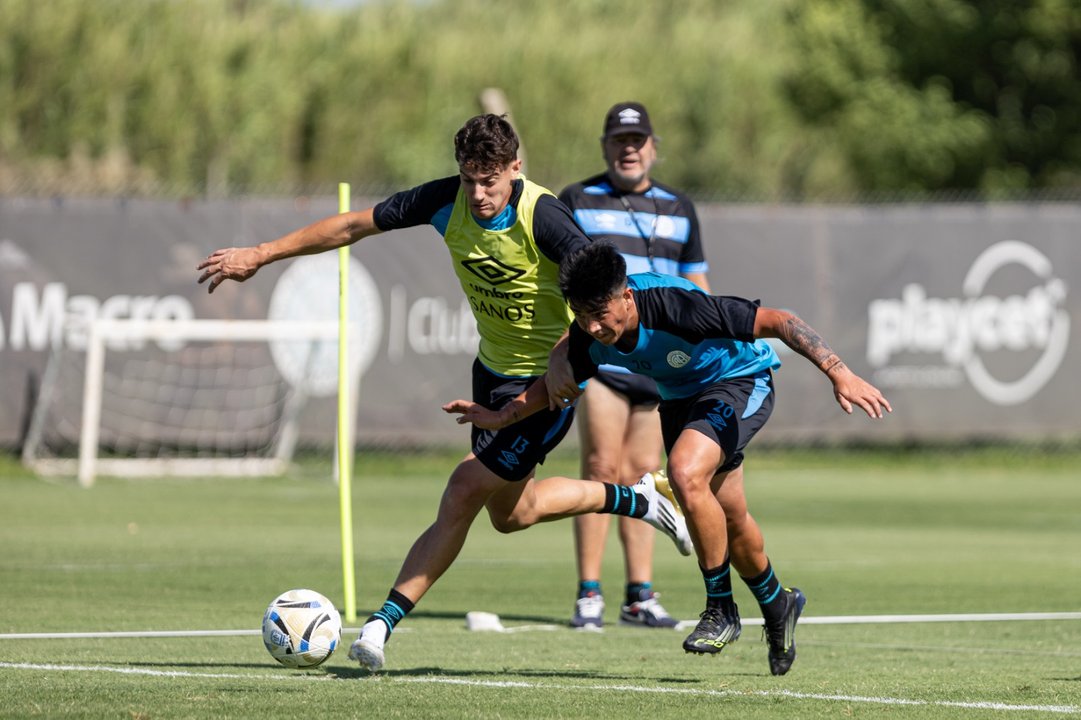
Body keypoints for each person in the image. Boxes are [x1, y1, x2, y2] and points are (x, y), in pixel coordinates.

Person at [196, 115, 692, 672]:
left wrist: (563, 359)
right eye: (468, 180)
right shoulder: (444, 200)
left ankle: (380, 627)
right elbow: (352, 226)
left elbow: (598, 292)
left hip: (543, 387)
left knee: (462, 490)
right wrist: (262, 253)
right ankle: (639, 499)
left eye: (490, 182)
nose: (478, 195)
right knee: (512, 514)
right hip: (491, 373)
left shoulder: (545, 216)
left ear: (515, 170)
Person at [445, 242, 891, 675]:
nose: (594, 327)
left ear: (626, 296)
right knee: (729, 519)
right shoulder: (587, 335)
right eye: (582, 317)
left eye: (600, 315)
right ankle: (778, 601)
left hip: (740, 380)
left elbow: (780, 320)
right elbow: (552, 387)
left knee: (683, 472)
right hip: (681, 400)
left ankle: (721, 609)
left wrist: (839, 371)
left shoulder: (676, 307)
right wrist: (503, 414)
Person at [557, 101, 710, 630]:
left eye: (637, 140)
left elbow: (698, 287)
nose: (629, 149)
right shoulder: (576, 199)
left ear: (652, 146)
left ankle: (639, 595)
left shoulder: (680, 206)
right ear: (605, 146)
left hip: (660, 361)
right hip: (603, 357)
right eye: (619, 141)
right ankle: (589, 593)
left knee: (645, 477)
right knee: (601, 466)